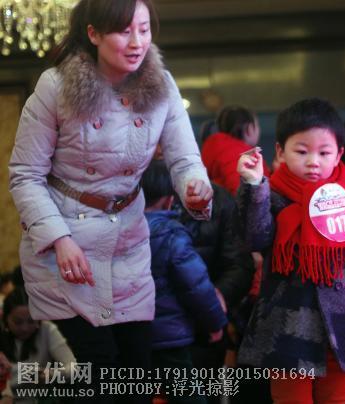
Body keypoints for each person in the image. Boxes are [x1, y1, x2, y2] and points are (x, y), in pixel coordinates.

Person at [8, 1, 213, 402]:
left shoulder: (162, 85)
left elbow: (185, 159)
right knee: (100, 370)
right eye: (124, 31)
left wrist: (195, 185)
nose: (137, 42)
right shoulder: (55, 85)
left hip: (127, 243)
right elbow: (26, 175)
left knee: (135, 373)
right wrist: (59, 239)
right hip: (66, 248)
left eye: (144, 30)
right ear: (94, 34)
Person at [235, 98, 345, 404]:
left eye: (324, 152)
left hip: (342, 332)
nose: (313, 161)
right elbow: (254, 238)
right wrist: (254, 186)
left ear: (339, 155)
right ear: (280, 152)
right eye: (301, 151)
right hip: (287, 333)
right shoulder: (271, 199)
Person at [141, 160, 227, 404]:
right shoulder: (171, 234)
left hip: (130, 333)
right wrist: (215, 323)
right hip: (170, 336)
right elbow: (196, 286)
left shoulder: (117, 232)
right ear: (170, 200)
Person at [0, 288, 77, 404]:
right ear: (5, 319)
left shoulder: (46, 331)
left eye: (31, 321)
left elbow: (73, 368)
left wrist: (52, 374)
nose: (25, 328)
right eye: (18, 322)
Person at [201, 105, 270, 196]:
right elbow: (243, 196)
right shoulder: (240, 155)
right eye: (257, 125)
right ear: (249, 129)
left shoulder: (218, 150)